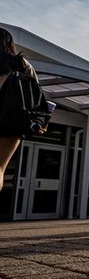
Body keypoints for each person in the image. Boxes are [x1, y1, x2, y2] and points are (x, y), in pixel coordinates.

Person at [0, 28, 39, 192]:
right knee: (0, 168)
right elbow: (36, 96)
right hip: (11, 121)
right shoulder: (23, 64)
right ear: (9, 44)